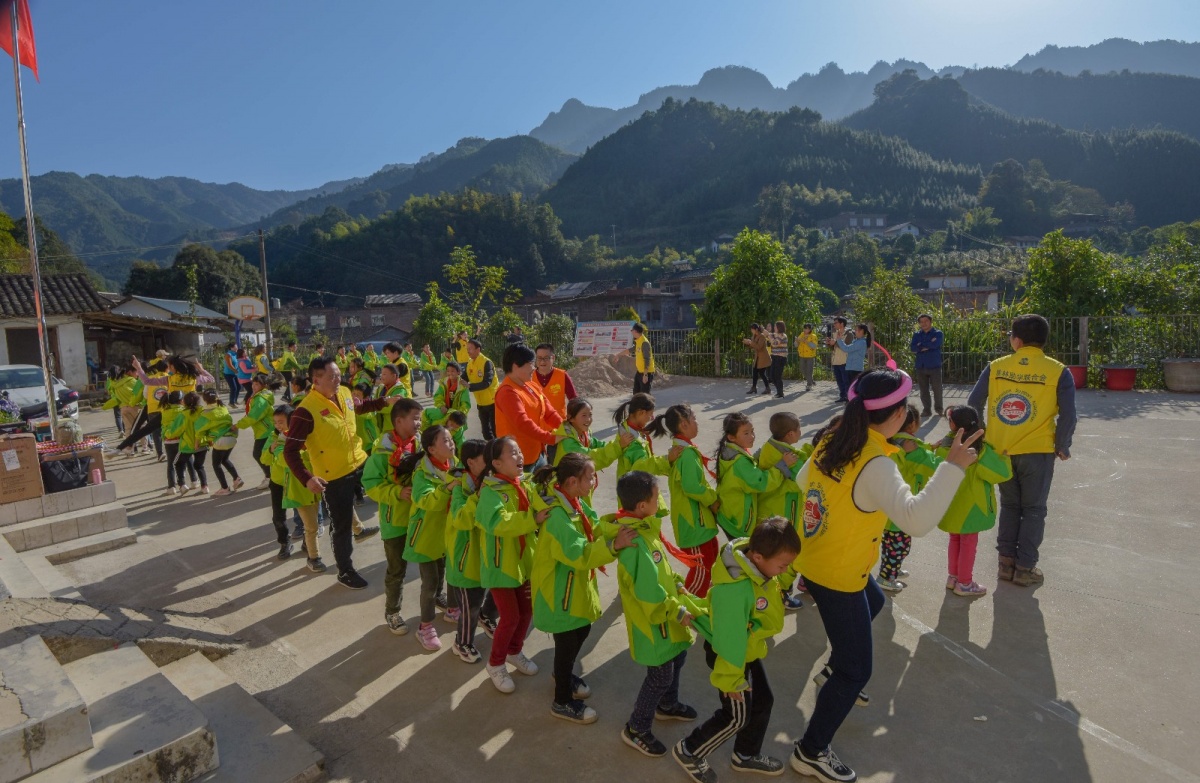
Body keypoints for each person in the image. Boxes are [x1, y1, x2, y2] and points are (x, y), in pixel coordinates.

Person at [788, 369, 979, 782]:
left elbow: (804, 481)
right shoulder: (875, 462)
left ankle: (831, 672)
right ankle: (811, 750)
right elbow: (915, 520)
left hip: (819, 559)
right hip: (838, 573)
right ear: (893, 418)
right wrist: (953, 467)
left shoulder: (833, 438)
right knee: (856, 671)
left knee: (874, 601)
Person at [671, 517, 801, 781]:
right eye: (783, 565)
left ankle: (745, 754)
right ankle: (690, 750)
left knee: (763, 701)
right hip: (731, 658)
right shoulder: (735, 590)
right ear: (758, 556)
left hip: (748, 649)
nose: (785, 570)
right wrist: (731, 680)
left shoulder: (759, 566)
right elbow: (730, 640)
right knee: (735, 716)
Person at [966, 313, 1076, 587]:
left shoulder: (996, 367)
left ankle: (1006, 564)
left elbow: (973, 403)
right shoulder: (1058, 370)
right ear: (1044, 341)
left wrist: (978, 438)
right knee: (1034, 509)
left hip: (999, 451)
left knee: (1011, 505)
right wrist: (1062, 444)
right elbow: (1069, 415)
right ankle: (1025, 568)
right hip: (1037, 451)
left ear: (1016, 340)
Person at [531, 453, 637, 725]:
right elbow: (580, 554)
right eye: (589, 477)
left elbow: (594, 526)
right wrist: (614, 546)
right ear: (571, 481)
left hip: (570, 587)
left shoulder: (574, 503)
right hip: (559, 593)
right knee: (568, 641)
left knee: (582, 628)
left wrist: (616, 523)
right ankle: (562, 700)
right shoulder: (558, 519)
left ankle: (562, 674)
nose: (594, 481)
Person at [284, 356, 399, 591]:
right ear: (315, 380)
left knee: (393, 486)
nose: (339, 379)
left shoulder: (345, 392)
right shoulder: (305, 411)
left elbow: (358, 407)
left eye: (339, 374)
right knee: (342, 524)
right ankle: (345, 570)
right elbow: (290, 451)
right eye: (332, 376)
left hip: (359, 460)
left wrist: (385, 402)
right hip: (333, 475)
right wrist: (308, 478)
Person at [613, 471, 705, 759]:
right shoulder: (636, 543)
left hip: (666, 616)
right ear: (642, 506)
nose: (659, 500)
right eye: (656, 497)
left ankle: (667, 704)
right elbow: (648, 593)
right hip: (655, 621)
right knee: (660, 674)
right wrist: (676, 611)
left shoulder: (645, 529)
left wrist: (677, 584)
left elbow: (659, 571)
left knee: (678, 656)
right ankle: (636, 728)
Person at [476, 436, 550, 694]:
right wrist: (532, 518)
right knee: (509, 617)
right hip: (501, 566)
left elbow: (539, 505)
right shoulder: (490, 493)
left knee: (527, 611)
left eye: (519, 452)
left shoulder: (524, 484)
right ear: (496, 463)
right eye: (513, 453)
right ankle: (495, 663)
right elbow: (499, 523)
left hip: (524, 561)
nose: (520, 457)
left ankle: (514, 652)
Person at [936, 406, 1013, 597]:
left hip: (951, 503)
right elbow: (1002, 474)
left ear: (953, 425)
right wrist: (1004, 458)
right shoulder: (981, 451)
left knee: (955, 539)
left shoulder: (945, 446)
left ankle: (953, 577)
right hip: (973, 506)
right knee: (968, 543)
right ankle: (965, 582)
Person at [361, 398, 423, 634]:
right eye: (415, 418)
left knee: (434, 562)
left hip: (421, 517)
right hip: (395, 521)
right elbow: (371, 484)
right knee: (397, 570)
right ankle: (393, 611)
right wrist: (397, 492)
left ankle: (437, 595)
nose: (419, 423)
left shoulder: (420, 444)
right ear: (399, 421)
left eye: (420, 418)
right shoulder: (382, 451)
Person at [646, 404, 720, 598]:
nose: (697, 424)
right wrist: (713, 499)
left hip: (700, 520)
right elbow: (692, 487)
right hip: (693, 522)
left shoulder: (683, 450)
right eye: (694, 419)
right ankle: (688, 605)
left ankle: (700, 600)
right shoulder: (686, 454)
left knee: (710, 558)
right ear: (684, 424)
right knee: (701, 568)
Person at [397, 425, 459, 651]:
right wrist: (449, 488)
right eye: (446, 440)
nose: (451, 443)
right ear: (431, 449)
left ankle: (453, 610)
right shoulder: (422, 473)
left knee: (451, 573)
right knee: (431, 583)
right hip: (425, 537)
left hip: (448, 533)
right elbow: (426, 501)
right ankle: (425, 627)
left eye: (451, 439)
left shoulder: (454, 463)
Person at [877, 405, 941, 593]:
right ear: (912, 424)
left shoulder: (891, 442)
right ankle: (887, 577)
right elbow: (934, 466)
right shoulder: (912, 449)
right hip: (903, 507)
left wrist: (928, 447)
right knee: (901, 547)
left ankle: (890, 569)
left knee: (889, 543)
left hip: (887, 506)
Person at [755, 412, 810, 609]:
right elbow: (802, 481)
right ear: (789, 434)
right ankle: (783, 595)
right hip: (784, 513)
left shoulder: (770, 447)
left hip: (773, 510)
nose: (800, 432)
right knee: (786, 556)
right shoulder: (787, 457)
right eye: (798, 429)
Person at [715, 412, 794, 541]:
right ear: (731, 437)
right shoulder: (740, 463)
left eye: (752, 431)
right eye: (746, 433)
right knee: (742, 556)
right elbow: (761, 482)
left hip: (729, 512)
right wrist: (782, 466)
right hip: (739, 522)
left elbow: (748, 469)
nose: (752, 436)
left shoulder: (730, 450)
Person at [446, 439, 488, 663]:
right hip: (464, 560)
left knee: (478, 601)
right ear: (471, 462)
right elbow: (461, 520)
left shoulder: (485, 482)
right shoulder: (459, 488)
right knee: (469, 607)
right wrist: (478, 497)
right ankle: (462, 643)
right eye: (486, 459)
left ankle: (477, 626)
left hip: (479, 556)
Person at [496, 343, 563, 472]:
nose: (535, 367)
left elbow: (549, 412)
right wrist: (551, 438)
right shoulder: (507, 392)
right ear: (516, 365)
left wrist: (566, 428)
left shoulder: (531, 385)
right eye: (531, 363)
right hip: (518, 460)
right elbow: (523, 423)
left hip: (537, 454)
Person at [262, 406, 297, 560]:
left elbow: (290, 462)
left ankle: (310, 544)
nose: (278, 426)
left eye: (281, 422)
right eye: (275, 422)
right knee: (278, 516)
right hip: (277, 481)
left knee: (303, 514)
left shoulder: (298, 437)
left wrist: (280, 450)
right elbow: (264, 459)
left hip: (296, 481)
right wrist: (270, 450)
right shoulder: (273, 437)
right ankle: (284, 542)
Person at [194, 389, 243, 497]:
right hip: (232, 437)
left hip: (220, 440)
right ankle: (237, 478)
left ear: (204, 400)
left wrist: (197, 443)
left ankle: (224, 488)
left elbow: (199, 429)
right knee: (225, 459)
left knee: (216, 464)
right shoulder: (223, 408)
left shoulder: (205, 413)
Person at [533, 342, 578, 457]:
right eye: (539, 358)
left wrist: (574, 422)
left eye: (546, 358)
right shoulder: (529, 377)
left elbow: (574, 400)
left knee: (555, 461)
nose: (542, 362)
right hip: (535, 428)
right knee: (537, 461)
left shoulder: (562, 375)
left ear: (553, 358)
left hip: (558, 428)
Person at [236, 373, 280, 490]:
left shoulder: (261, 399)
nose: (254, 386)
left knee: (259, 454)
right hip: (263, 430)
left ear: (264, 386)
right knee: (267, 454)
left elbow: (253, 416)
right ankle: (273, 476)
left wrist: (238, 425)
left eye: (257, 384)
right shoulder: (259, 396)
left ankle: (270, 477)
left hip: (266, 431)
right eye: (253, 384)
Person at [160, 391, 197, 497]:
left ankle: (171, 487)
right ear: (181, 401)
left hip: (168, 440)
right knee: (188, 459)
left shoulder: (164, 411)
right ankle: (194, 481)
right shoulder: (183, 411)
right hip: (182, 439)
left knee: (171, 463)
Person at [173, 391, 210, 496]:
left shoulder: (183, 415)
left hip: (187, 445)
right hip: (202, 443)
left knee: (178, 463)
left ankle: (182, 485)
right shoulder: (203, 412)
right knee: (199, 466)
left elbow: (177, 430)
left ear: (184, 402)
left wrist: (168, 433)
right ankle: (205, 486)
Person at [910, 314, 944, 417]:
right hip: (921, 365)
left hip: (934, 365)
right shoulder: (916, 335)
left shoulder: (938, 333)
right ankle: (926, 410)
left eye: (926, 321)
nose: (924, 323)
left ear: (930, 321)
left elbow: (935, 344)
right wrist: (926, 345)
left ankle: (939, 409)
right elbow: (913, 348)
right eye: (921, 322)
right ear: (919, 324)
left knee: (937, 389)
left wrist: (921, 345)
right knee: (923, 390)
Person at [465, 339, 499, 439]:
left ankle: (498, 451)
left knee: (495, 430)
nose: (468, 351)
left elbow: (487, 383)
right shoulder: (470, 363)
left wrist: (470, 386)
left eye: (470, 349)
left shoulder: (487, 363)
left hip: (493, 402)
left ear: (478, 349)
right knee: (485, 432)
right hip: (481, 403)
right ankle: (491, 449)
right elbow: (464, 377)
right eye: (467, 349)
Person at [422, 361, 470, 430]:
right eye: (448, 371)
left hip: (456, 417)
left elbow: (466, 404)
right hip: (444, 412)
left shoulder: (463, 386)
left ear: (458, 372)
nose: (450, 373)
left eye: (452, 371)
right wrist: (441, 406)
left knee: (455, 435)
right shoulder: (443, 383)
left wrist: (457, 415)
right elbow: (438, 396)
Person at [742, 324, 772, 396]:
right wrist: (748, 343)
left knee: (761, 373)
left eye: (752, 329)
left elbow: (759, 347)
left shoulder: (762, 336)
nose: (751, 331)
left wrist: (750, 342)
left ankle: (767, 388)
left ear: (756, 329)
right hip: (757, 357)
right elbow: (754, 346)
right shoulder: (754, 336)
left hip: (763, 358)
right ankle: (754, 387)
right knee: (755, 372)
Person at [826, 318, 849, 403]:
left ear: (842, 324)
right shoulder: (835, 333)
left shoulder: (849, 333)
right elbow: (833, 347)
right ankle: (842, 396)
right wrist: (829, 343)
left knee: (846, 380)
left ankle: (848, 397)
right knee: (839, 380)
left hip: (845, 360)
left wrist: (835, 342)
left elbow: (847, 346)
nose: (834, 325)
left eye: (836, 323)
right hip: (836, 360)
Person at [842, 324, 870, 388]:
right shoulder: (857, 341)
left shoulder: (861, 342)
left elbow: (847, 349)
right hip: (851, 368)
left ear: (862, 331)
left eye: (856, 330)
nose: (855, 331)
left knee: (853, 388)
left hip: (855, 369)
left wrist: (838, 340)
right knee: (849, 388)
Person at [630, 323, 655, 394]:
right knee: (636, 393)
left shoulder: (644, 343)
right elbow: (631, 349)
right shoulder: (639, 341)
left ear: (635, 331)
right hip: (639, 371)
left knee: (644, 395)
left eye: (632, 330)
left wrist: (645, 375)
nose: (631, 332)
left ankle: (649, 405)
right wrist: (618, 355)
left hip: (647, 372)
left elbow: (647, 359)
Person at [797, 324, 819, 392]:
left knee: (809, 371)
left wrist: (807, 342)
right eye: (804, 328)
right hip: (802, 355)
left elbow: (814, 346)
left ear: (810, 329)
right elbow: (795, 344)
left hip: (810, 356)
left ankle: (809, 385)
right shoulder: (801, 334)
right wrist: (797, 340)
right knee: (802, 369)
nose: (805, 330)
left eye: (807, 328)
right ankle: (811, 380)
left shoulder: (813, 336)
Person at [769, 320, 788, 398]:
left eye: (775, 326)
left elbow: (775, 344)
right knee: (772, 376)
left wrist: (770, 337)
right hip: (774, 356)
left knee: (777, 376)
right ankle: (779, 392)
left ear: (779, 327)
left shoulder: (783, 336)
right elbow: (769, 334)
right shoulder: (775, 335)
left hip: (780, 358)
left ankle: (780, 393)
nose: (774, 328)